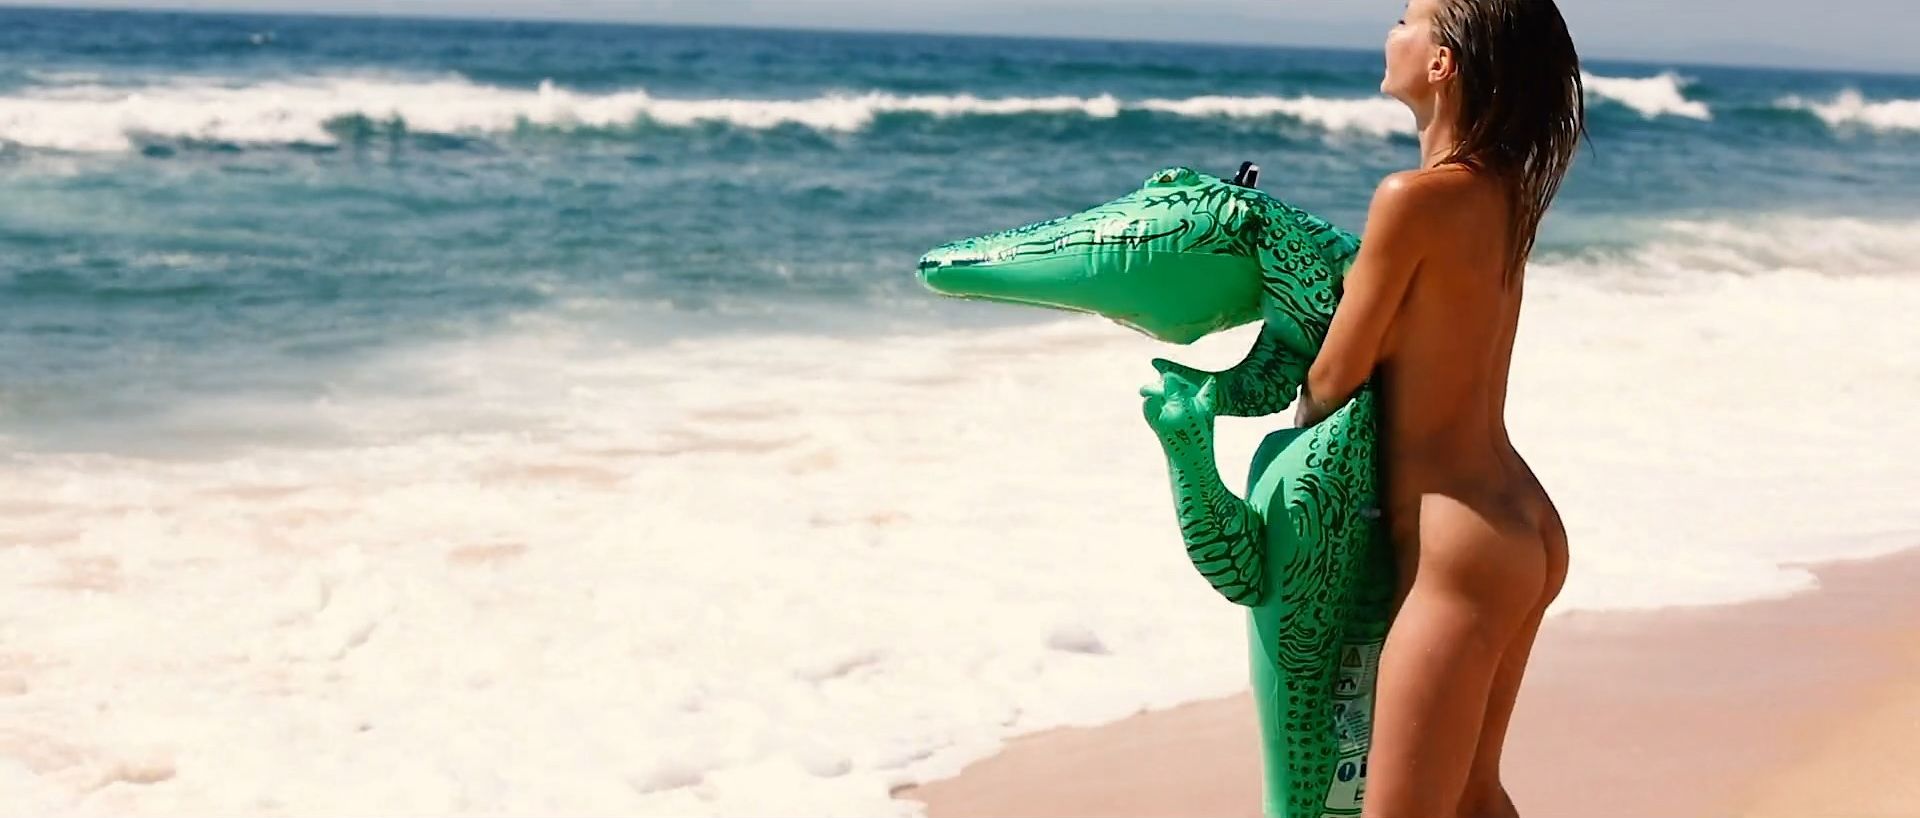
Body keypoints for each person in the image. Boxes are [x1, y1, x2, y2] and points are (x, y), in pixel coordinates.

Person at [1289, 0, 1585, 815]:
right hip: (1520, 519)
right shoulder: (1506, 194)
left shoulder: (1409, 199)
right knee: (1475, 798)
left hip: (1458, 547)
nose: (1390, 32)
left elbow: (1333, 378)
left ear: (1441, 63)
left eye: (1404, 18)